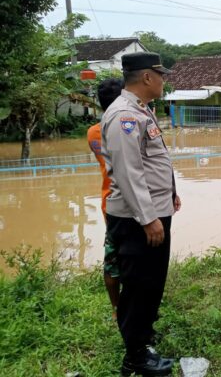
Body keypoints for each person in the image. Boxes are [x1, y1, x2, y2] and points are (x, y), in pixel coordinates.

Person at [101, 52, 181, 376]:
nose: (164, 80)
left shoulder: (140, 110)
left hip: (154, 212)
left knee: (151, 282)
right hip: (137, 219)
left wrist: (170, 193)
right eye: (160, 75)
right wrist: (148, 218)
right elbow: (128, 172)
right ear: (147, 77)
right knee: (138, 285)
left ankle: (143, 336)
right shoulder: (124, 115)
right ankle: (135, 356)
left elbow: (153, 162)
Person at [87, 77, 123, 322]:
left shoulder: (93, 133)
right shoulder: (125, 126)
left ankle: (116, 307)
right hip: (129, 205)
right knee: (133, 258)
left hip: (108, 201)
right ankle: (134, 306)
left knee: (112, 258)